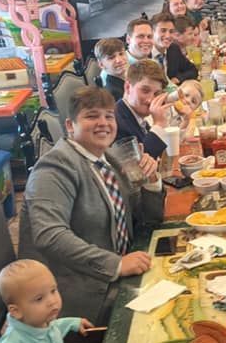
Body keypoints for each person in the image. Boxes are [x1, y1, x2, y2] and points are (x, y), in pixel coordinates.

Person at [18, 86, 164, 326]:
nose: (103, 123)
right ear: (69, 126)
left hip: (113, 275)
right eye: (91, 116)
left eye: (109, 116)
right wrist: (116, 264)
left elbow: (146, 220)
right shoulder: (55, 167)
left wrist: (152, 182)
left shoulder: (107, 160)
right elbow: (49, 235)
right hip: (76, 298)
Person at [115, 59, 170, 158]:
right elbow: (140, 164)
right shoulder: (117, 122)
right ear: (127, 87)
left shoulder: (137, 115)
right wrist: (159, 124)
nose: (150, 100)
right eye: (145, 91)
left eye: (156, 94)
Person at [151, 12, 198, 84]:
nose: (168, 36)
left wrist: (178, 79)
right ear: (152, 32)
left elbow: (193, 70)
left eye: (171, 31)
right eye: (163, 31)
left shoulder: (173, 49)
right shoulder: (145, 55)